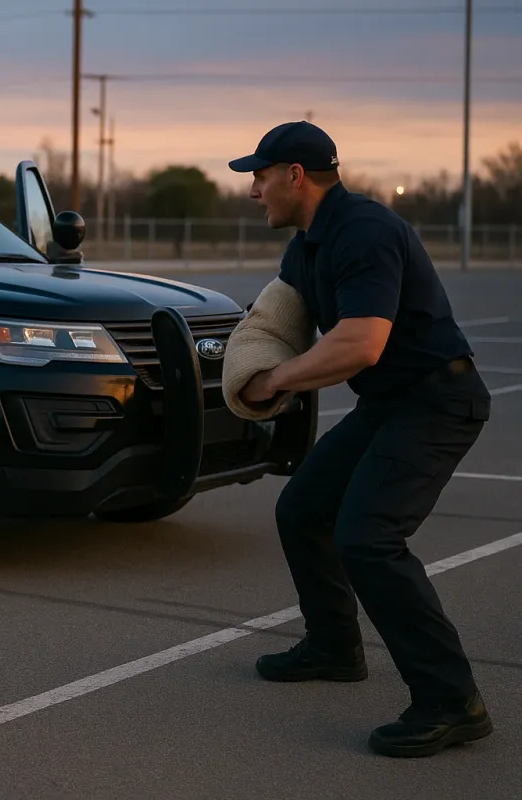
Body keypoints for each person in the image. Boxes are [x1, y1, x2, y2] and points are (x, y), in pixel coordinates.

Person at [228, 121, 494, 758]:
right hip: (390, 404)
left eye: (260, 176)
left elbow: (362, 342)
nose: (253, 190)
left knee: (369, 539)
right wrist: (248, 362)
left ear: (295, 175)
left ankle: (452, 701)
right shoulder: (309, 244)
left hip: (437, 401)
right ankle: (334, 647)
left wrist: (278, 381)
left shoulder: (365, 230)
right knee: (302, 509)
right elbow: (277, 317)